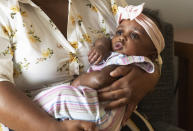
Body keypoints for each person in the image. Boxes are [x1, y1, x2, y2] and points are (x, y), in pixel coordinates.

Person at [0, 0, 160, 131]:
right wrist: (54, 128)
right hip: (34, 123)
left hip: (110, 118)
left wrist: (148, 77)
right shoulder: (4, 9)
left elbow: (153, 48)